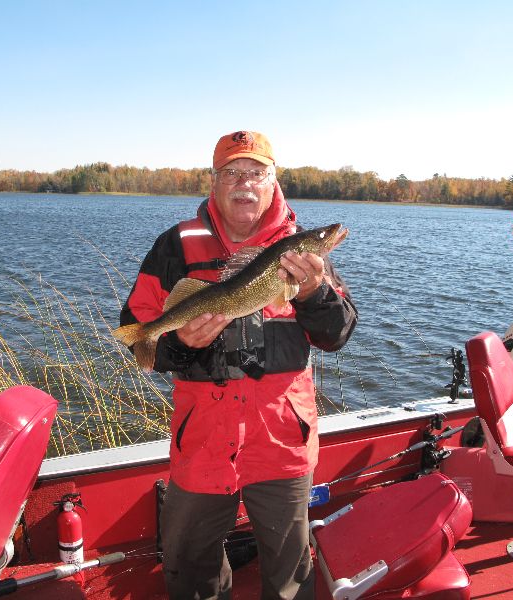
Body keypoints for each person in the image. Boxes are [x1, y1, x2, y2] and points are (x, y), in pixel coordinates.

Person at [119, 130, 357, 599]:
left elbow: (338, 334)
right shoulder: (175, 246)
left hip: (282, 441)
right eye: (231, 173)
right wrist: (179, 344)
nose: (244, 183)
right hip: (202, 440)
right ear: (214, 181)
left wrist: (313, 293)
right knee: (190, 566)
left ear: (273, 182)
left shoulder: (300, 252)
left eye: (256, 173)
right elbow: (135, 327)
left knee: (290, 572)